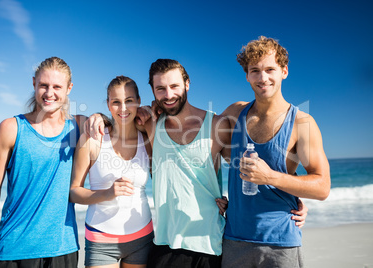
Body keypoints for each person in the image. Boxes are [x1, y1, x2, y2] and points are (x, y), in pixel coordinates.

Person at [87, 59, 308, 268]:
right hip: (165, 244)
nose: (169, 94)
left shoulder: (217, 125)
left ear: (187, 84)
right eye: (160, 89)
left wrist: (287, 198)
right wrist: (99, 117)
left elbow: (249, 169)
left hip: (209, 245)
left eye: (175, 86)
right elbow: (120, 119)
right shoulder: (151, 124)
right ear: (153, 92)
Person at [220, 36, 331, 268]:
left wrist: (270, 177)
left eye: (270, 69)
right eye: (255, 71)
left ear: (284, 71)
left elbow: (322, 187)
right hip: (234, 239)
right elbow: (199, 143)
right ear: (247, 75)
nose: (263, 78)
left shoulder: (302, 123)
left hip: (280, 242)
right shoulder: (234, 113)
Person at [0, 57, 86, 268]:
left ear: (69, 88)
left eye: (57, 87)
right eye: (43, 85)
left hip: (63, 249)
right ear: (34, 83)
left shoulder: (78, 127)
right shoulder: (11, 128)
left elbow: (118, 126)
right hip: (14, 250)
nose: (49, 93)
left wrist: (100, 116)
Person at [70, 76, 154, 268]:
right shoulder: (92, 139)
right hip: (101, 241)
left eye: (129, 101)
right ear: (108, 104)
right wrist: (108, 193)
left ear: (138, 101)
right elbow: (74, 191)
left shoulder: (147, 139)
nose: (123, 108)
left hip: (142, 237)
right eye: (116, 102)